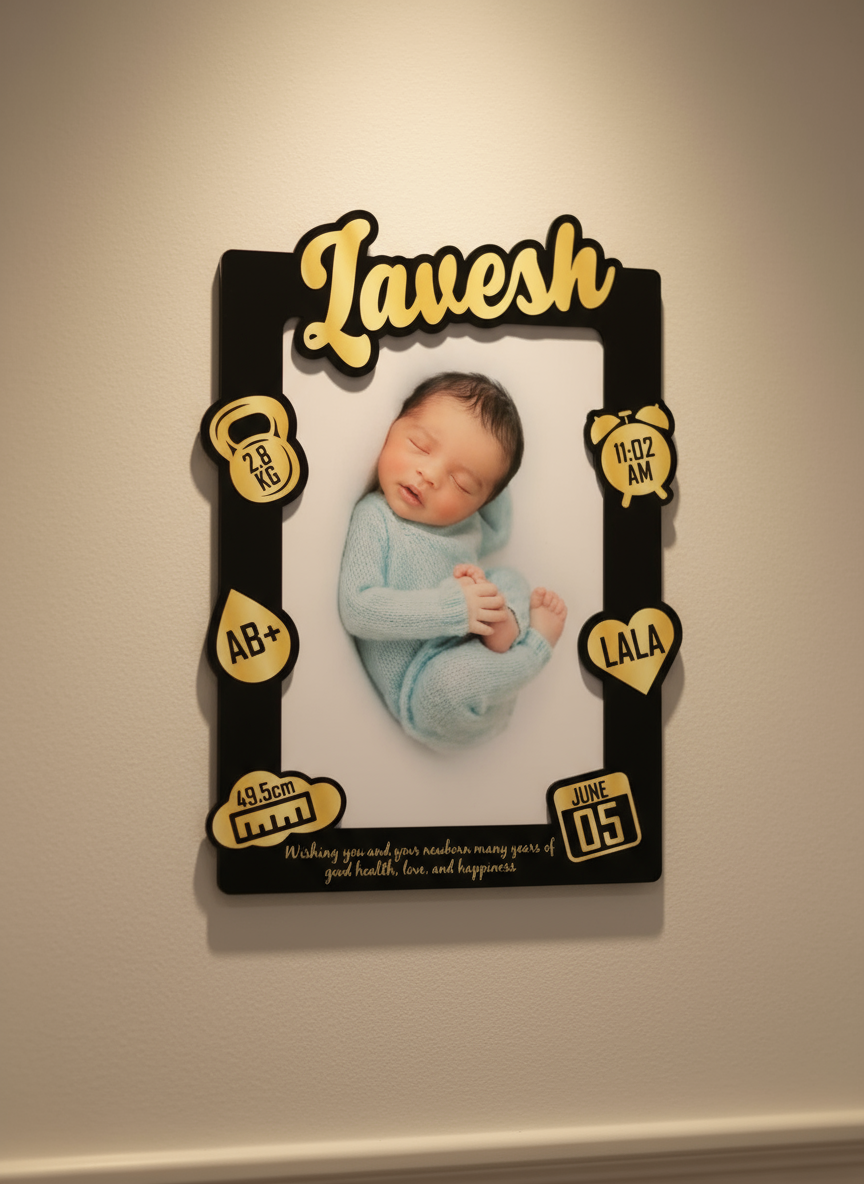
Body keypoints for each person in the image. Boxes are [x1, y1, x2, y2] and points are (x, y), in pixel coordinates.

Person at [338, 372, 567, 750]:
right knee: (446, 684)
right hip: (426, 693)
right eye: (419, 446)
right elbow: (358, 609)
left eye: (462, 483)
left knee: (509, 580)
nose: (428, 475)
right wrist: (453, 608)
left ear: (480, 503)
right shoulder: (376, 518)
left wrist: (490, 465)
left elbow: (500, 526)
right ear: (393, 425)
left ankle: (503, 631)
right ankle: (534, 649)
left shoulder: (464, 522)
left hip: (480, 659)